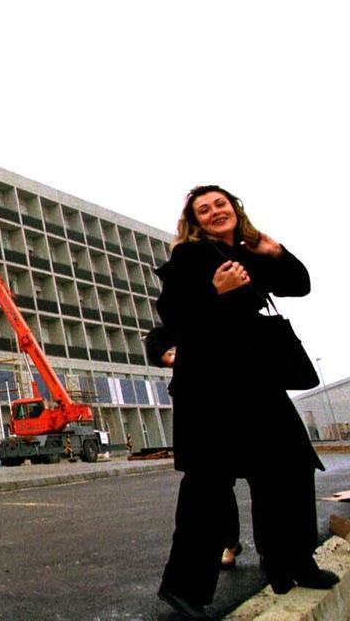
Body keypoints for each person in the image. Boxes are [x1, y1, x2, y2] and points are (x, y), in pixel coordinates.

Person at [155, 185, 336, 619]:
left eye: (221, 203)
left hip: (259, 382)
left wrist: (276, 252)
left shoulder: (251, 253)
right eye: (205, 209)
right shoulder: (189, 259)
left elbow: (300, 285)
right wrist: (214, 292)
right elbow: (173, 318)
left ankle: (292, 562)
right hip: (208, 389)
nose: (215, 211)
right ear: (195, 222)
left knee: (290, 469)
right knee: (207, 488)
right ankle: (183, 589)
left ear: (234, 208)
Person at [145, 326, 242, 570]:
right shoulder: (190, 314)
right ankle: (229, 543)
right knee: (215, 483)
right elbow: (159, 334)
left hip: (237, 393)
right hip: (202, 406)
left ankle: (274, 550)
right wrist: (165, 352)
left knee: (261, 478)